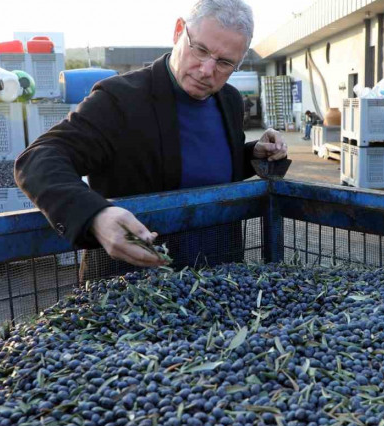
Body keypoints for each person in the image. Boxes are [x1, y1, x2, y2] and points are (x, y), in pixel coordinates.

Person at [15, 0, 287, 277]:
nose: (207, 70)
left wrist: (253, 153)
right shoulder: (120, 99)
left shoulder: (229, 100)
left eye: (225, 62)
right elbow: (38, 158)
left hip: (217, 277)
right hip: (133, 286)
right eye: (200, 50)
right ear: (179, 31)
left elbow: (205, 166)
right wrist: (95, 215)